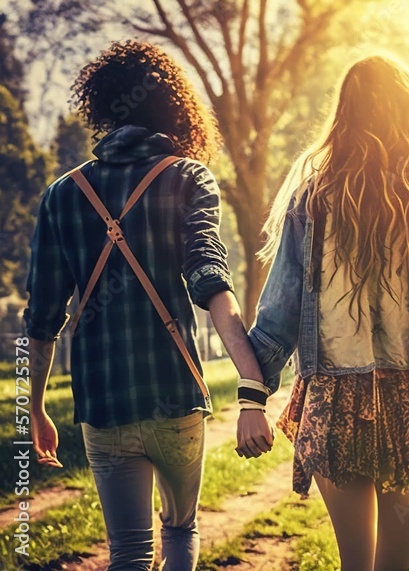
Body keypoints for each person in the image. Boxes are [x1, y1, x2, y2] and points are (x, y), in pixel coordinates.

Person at [242, 55, 409, 571]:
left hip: (336, 404)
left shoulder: (310, 199)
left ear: (344, 113)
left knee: (354, 565)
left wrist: (254, 398)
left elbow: (278, 315)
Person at [24, 40, 269, 571]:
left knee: (129, 554)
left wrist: (36, 404)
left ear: (101, 106)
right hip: (175, 395)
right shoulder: (187, 177)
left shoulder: (61, 196)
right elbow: (210, 281)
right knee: (181, 530)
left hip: (103, 401)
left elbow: (41, 318)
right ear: (174, 107)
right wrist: (251, 387)